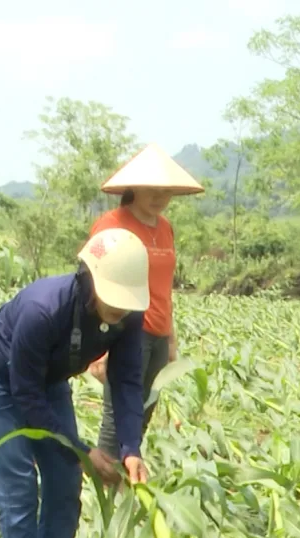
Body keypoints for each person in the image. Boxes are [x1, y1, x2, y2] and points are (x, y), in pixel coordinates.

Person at [0, 229, 153, 538]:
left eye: (126, 300)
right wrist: (83, 450)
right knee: (18, 486)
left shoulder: (128, 316)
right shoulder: (44, 309)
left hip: (48, 381)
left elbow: (127, 382)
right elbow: (25, 395)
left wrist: (130, 447)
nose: (119, 308)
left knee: (66, 481)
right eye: (112, 297)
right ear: (89, 279)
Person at [86, 142, 204, 457]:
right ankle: (106, 485)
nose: (159, 198)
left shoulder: (165, 228)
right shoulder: (112, 224)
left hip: (158, 334)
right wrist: (98, 348)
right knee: (118, 416)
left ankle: (126, 475)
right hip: (125, 332)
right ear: (134, 188)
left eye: (165, 191)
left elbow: (164, 287)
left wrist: (171, 339)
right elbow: (91, 281)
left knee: (143, 411)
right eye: (151, 189)